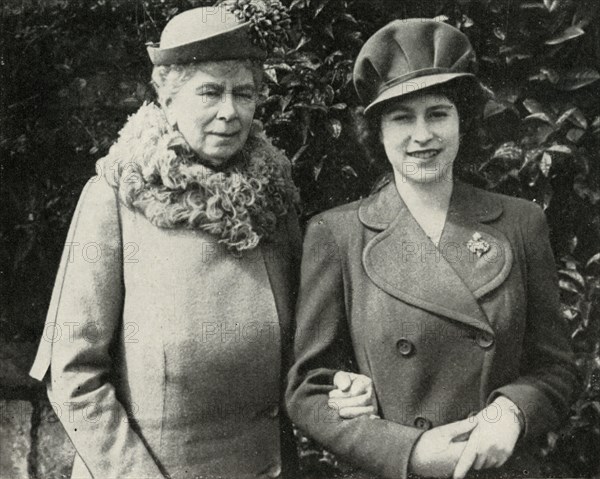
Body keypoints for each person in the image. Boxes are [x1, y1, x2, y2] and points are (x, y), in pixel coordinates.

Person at [28, 5, 373, 478]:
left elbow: (306, 350)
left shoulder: (274, 199)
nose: (229, 111)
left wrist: (342, 384)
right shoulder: (117, 196)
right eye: (210, 91)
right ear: (167, 99)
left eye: (244, 93)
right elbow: (73, 375)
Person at [286, 18, 579, 479]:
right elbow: (308, 389)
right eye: (402, 118)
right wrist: (409, 450)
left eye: (438, 113)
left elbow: (556, 368)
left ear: (462, 122)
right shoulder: (336, 233)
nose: (422, 136)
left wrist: (512, 414)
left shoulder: (521, 222)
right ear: (377, 133)